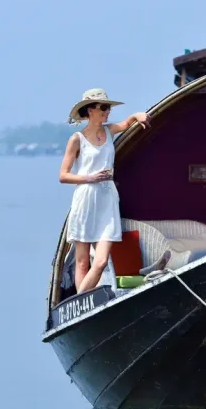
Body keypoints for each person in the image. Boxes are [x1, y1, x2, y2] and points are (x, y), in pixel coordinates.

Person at [59, 88, 151, 294]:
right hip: (85, 198)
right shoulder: (77, 139)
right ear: (90, 110)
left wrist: (137, 115)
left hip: (107, 198)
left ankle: (80, 301)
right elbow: (63, 175)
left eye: (108, 107)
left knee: (100, 262)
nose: (107, 111)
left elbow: (127, 122)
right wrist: (89, 177)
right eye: (103, 107)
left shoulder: (109, 131)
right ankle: (83, 306)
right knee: (83, 263)